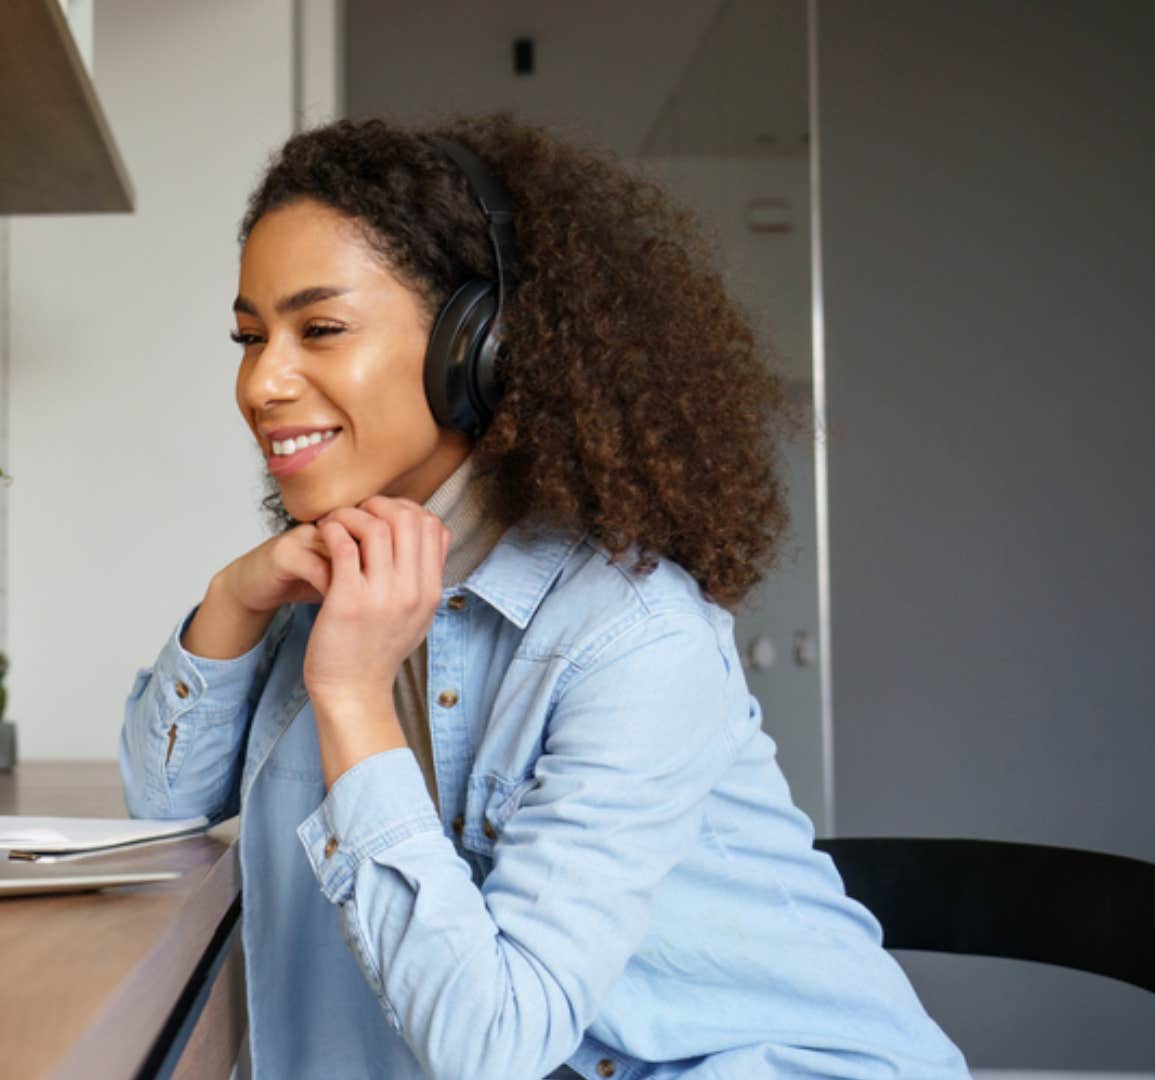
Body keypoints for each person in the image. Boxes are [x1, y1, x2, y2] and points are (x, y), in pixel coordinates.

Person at [118, 114, 969, 1079]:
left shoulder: (633, 636)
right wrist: (234, 599)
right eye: (249, 336)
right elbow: (165, 803)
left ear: (473, 346)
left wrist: (353, 699)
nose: (262, 382)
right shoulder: (336, 578)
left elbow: (492, 1044)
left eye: (320, 329)